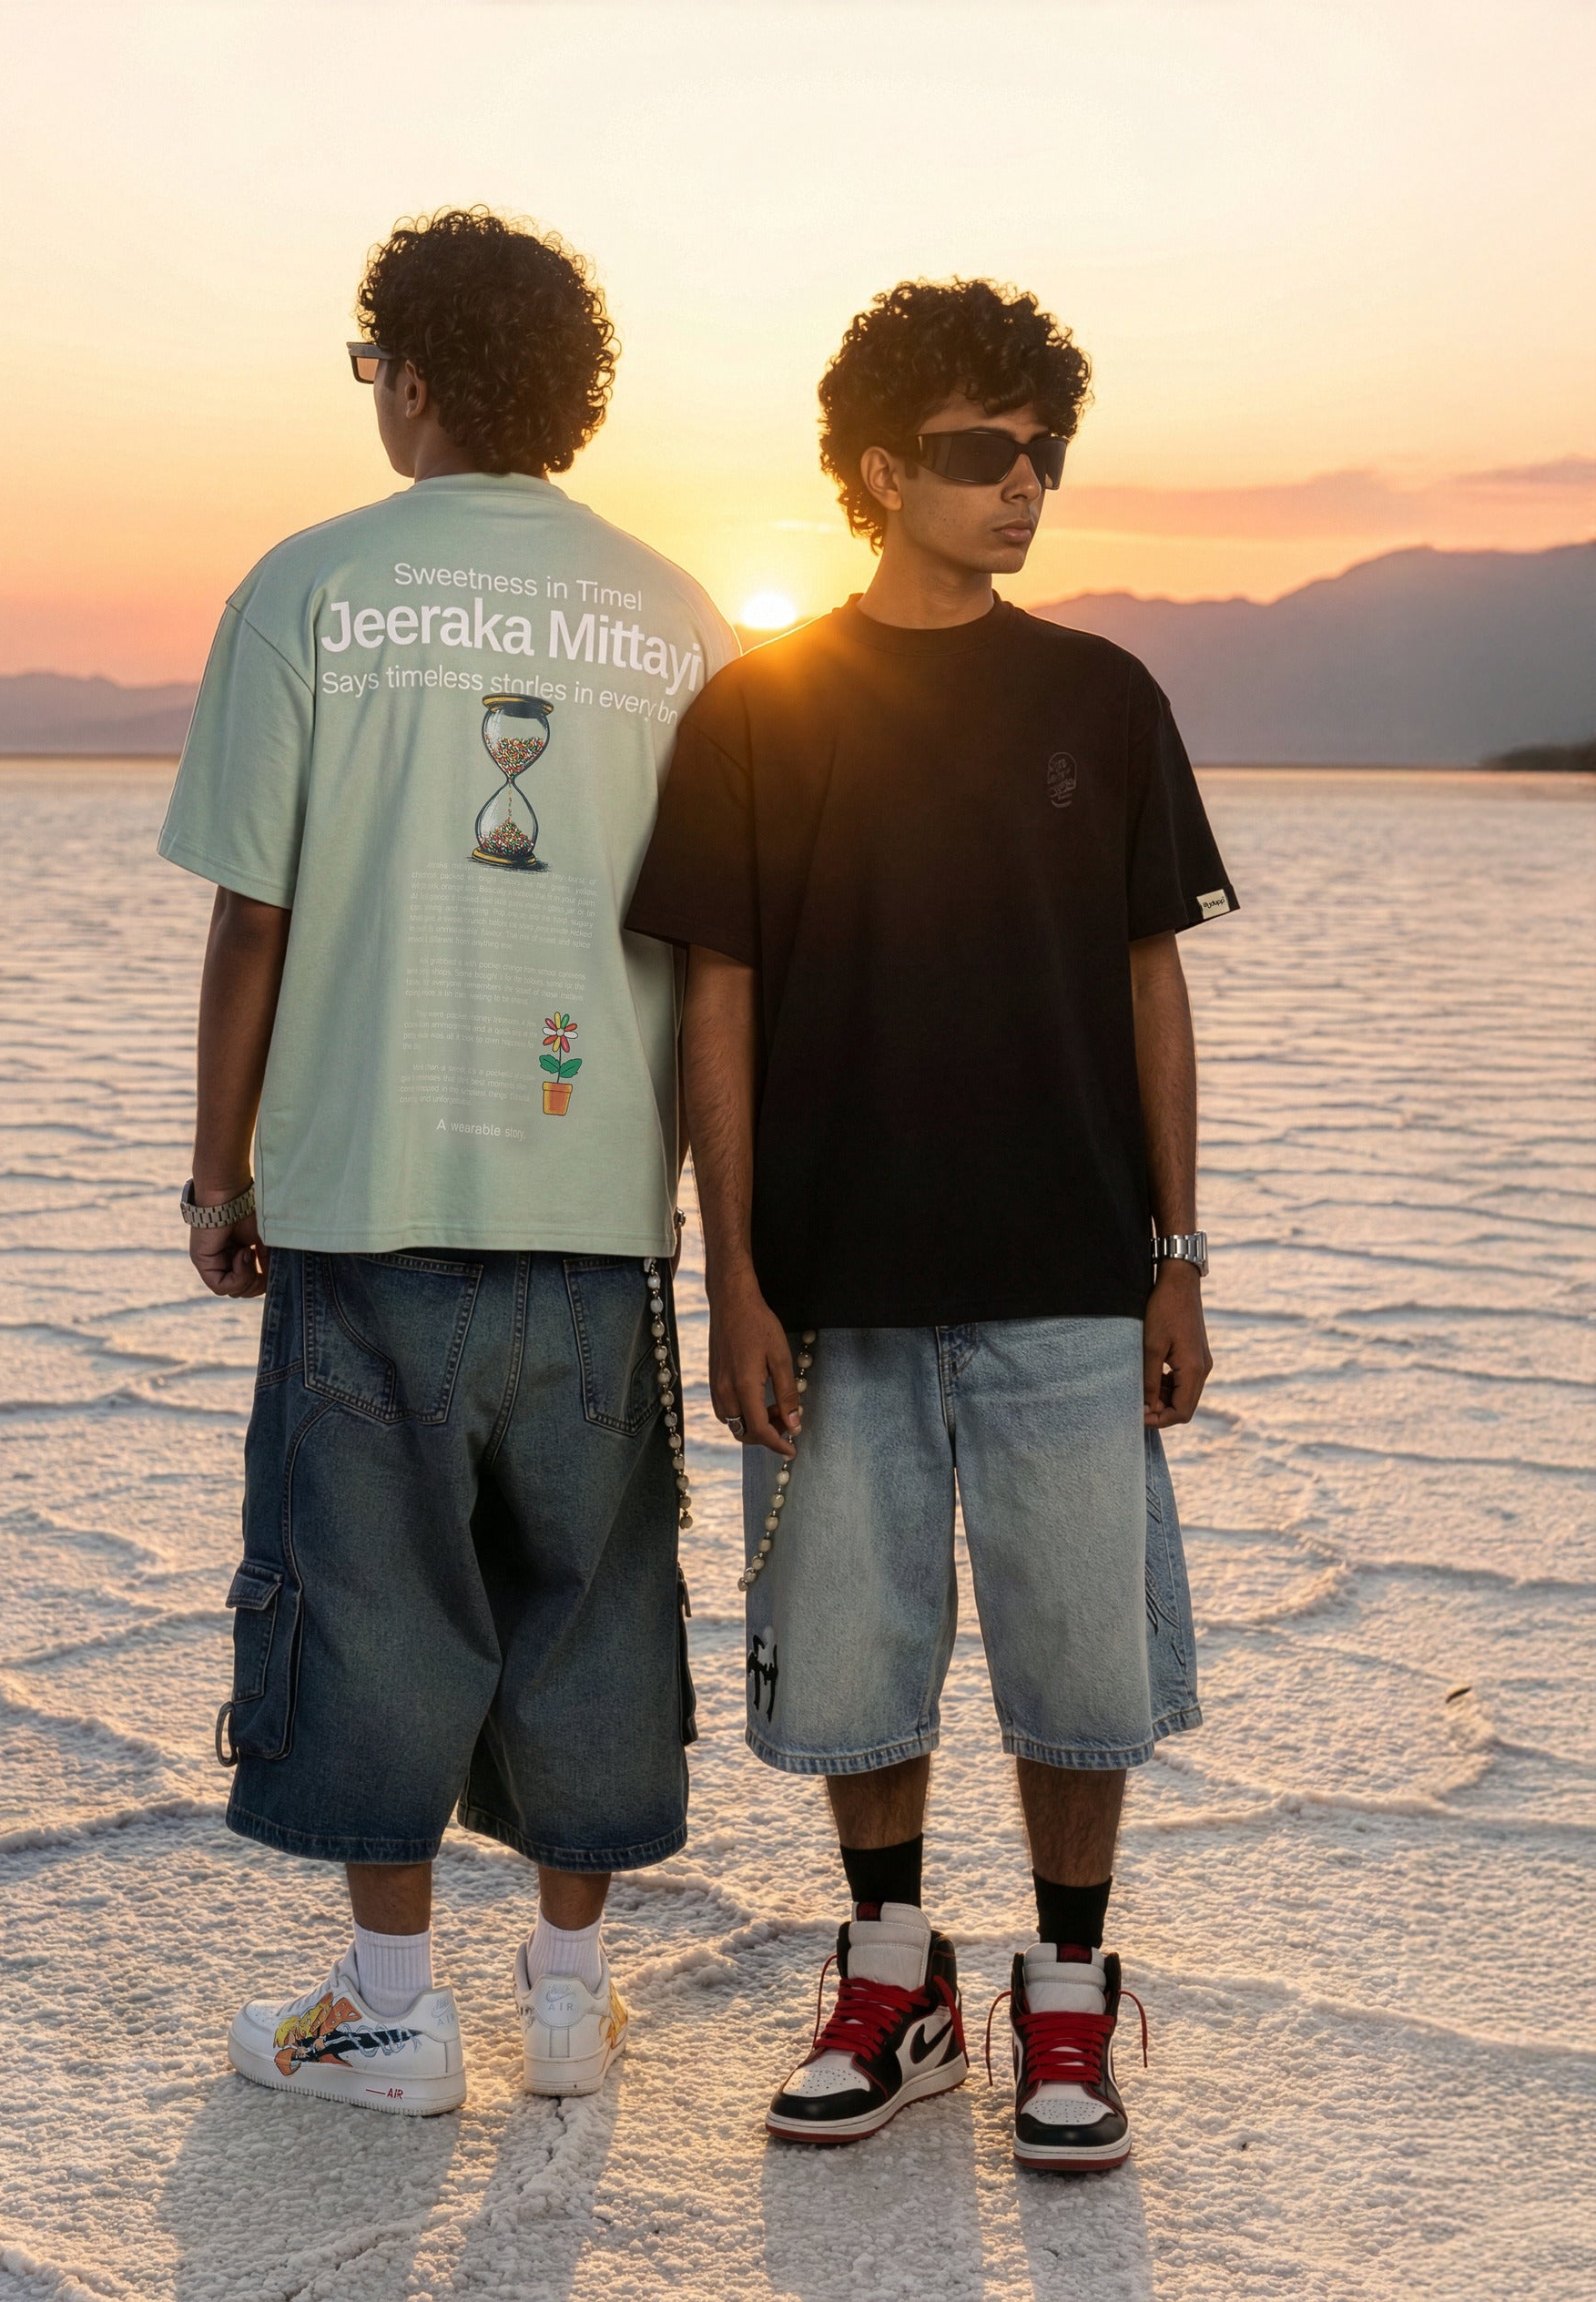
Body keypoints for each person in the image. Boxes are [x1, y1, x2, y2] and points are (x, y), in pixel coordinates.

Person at [625, 275, 1236, 2169]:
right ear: (880, 466)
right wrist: (732, 1276)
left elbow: (1152, 981)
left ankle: (1065, 1996)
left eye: (1047, 452)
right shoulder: (760, 706)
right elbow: (711, 998)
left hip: (1067, 1274)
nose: (1026, 484)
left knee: (1078, 1661)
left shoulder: (1102, 697)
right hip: (836, 1289)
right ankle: (889, 1976)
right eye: (985, 453)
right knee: (860, 1651)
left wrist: (1180, 1259)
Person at [159, 209, 735, 2115]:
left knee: (371, 1588)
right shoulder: (677, 616)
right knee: (588, 1590)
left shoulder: (311, 587)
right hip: (595, 1214)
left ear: (405, 373)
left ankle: (392, 2007)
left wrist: (215, 1176)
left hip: (366, 1198)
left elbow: (257, 914)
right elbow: (720, 951)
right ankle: (568, 2005)